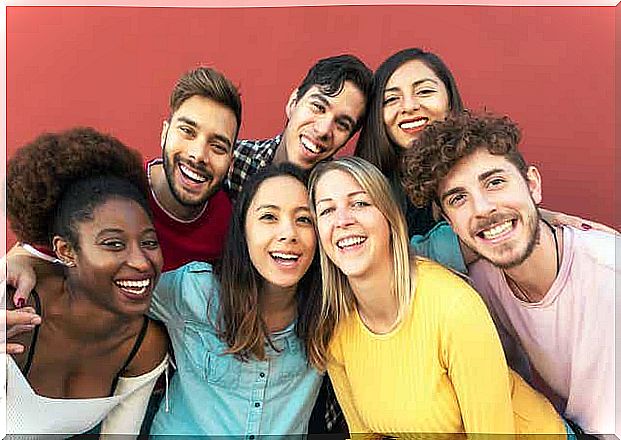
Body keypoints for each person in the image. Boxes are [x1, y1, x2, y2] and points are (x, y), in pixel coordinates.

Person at [307, 156, 569, 437]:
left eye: (360, 203)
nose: (343, 220)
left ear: (390, 217)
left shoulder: (453, 308)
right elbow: (365, 436)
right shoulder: (335, 328)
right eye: (327, 211)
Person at [401, 112, 618, 435]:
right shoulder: (481, 281)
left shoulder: (608, 271)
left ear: (532, 184)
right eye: (459, 198)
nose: (483, 208)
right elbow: (391, 263)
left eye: (495, 182)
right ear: (449, 221)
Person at [5, 127, 169, 436]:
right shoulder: (14, 311)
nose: (140, 262)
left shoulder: (143, 346)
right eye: (113, 244)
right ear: (66, 251)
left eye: (149, 242)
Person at [147, 163, 326, 436]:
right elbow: (116, 292)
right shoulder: (197, 291)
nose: (289, 233)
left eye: (304, 219)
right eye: (268, 217)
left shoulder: (328, 312)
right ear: (243, 230)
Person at [226, 54, 372, 200]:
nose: (323, 130)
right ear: (293, 103)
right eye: (318, 107)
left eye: (342, 124)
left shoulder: (339, 196)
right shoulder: (234, 160)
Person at [355, 48, 462, 237]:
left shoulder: (484, 165)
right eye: (392, 99)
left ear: (450, 101)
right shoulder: (362, 189)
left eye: (425, 91)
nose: (409, 107)